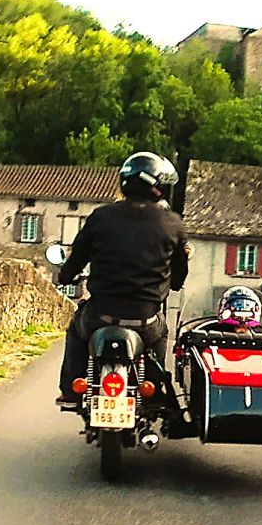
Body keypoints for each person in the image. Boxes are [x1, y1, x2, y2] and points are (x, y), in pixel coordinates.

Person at [56, 152, 189, 405]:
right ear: (159, 186)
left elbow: (77, 257)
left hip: (100, 316)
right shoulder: (172, 223)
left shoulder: (101, 216)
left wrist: (65, 275)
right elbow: (179, 273)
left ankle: (71, 389)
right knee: (161, 333)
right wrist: (173, 283)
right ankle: (153, 389)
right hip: (146, 319)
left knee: (76, 328)